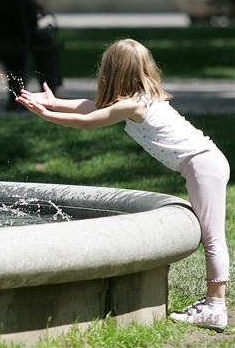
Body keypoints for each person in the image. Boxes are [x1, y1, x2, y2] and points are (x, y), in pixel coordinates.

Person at [16, 38, 230, 331]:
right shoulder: (141, 98)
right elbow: (95, 107)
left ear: (112, 72)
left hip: (202, 165)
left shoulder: (134, 105)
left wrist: (46, 114)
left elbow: (89, 121)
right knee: (212, 235)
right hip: (205, 163)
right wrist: (54, 101)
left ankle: (215, 307)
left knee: (213, 237)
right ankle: (213, 304)